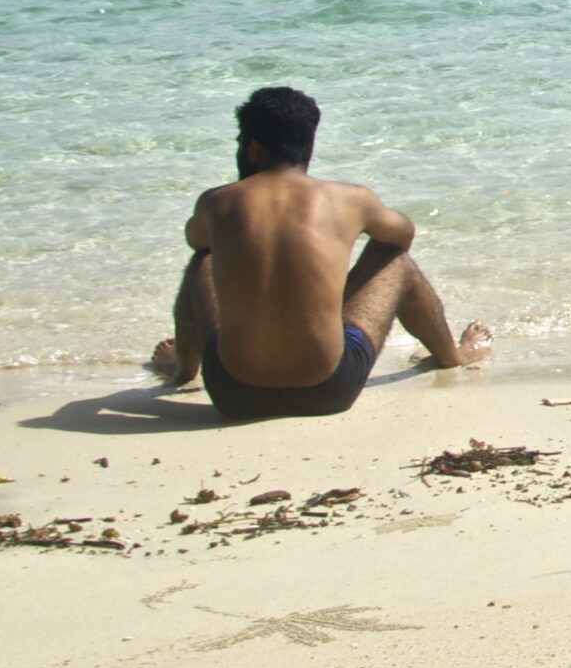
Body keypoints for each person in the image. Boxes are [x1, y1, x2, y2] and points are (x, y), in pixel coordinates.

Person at [150, 86, 490, 420]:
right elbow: (402, 235)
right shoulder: (350, 199)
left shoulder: (216, 202)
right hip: (329, 391)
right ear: (308, 145)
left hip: (235, 395)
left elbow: (197, 242)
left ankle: (182, 370)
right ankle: (452, 356)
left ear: (252, 148)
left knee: (202, 262)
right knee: (396, 261)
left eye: (240, 142)